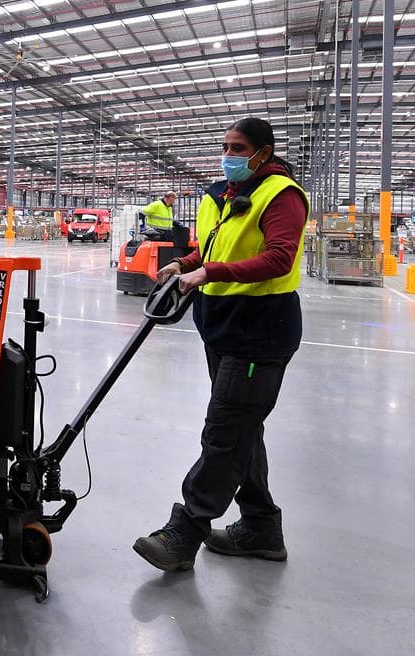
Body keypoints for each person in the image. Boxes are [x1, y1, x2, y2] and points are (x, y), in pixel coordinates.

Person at [132, 116, 309, 572]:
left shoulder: (281, 196)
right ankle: (261, 527)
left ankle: (185, 530)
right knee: (242, 428)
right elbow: (214, 249)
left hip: (261, 329)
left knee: (225, 432)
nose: (229, 155)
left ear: (263, 153)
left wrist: (209, 273)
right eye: (225, 146)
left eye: (238, 147)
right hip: (222, 326)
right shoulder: (223, 195)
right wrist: (185, 263)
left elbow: (278, 257)